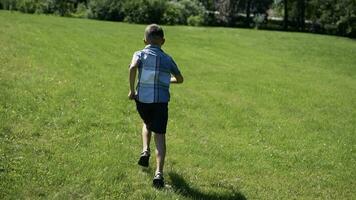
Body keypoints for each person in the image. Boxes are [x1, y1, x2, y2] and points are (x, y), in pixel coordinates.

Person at [128, 24, 184, 188]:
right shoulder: (168, 59)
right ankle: (159, 174)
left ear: (145, 40)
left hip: (143, 101)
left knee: (147, 123)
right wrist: (168, 80)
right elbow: (180, 79)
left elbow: (132, 67)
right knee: (160, 136)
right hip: (160, 103)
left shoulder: (139, 54)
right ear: (163, 41)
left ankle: (145, 150)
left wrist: (132, 91)